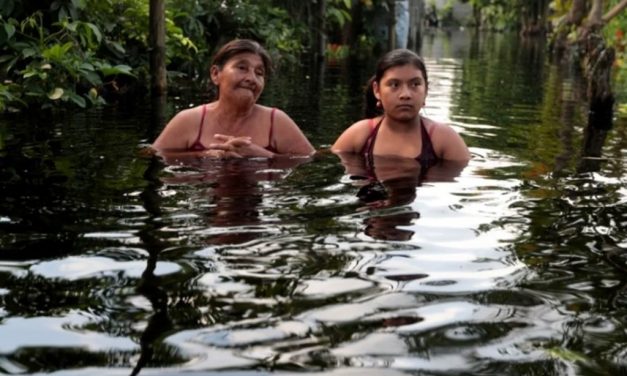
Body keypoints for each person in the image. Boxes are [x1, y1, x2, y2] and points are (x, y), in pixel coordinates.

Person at [152, 39, 315, 159]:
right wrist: (202, 155)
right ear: (216, 74)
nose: (251, 78)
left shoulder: (276, 121)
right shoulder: (189, 120)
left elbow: (313, 160)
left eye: (259, 73)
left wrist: (264, 155)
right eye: (242, 68)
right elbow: (151, 155)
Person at [331, 48, 470, 165]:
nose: (405, 94)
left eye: (415, 84)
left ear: (426, 90)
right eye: (394, 85)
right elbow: (323, 161)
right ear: (377, 90)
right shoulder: (359, 135)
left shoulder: (444, 139)